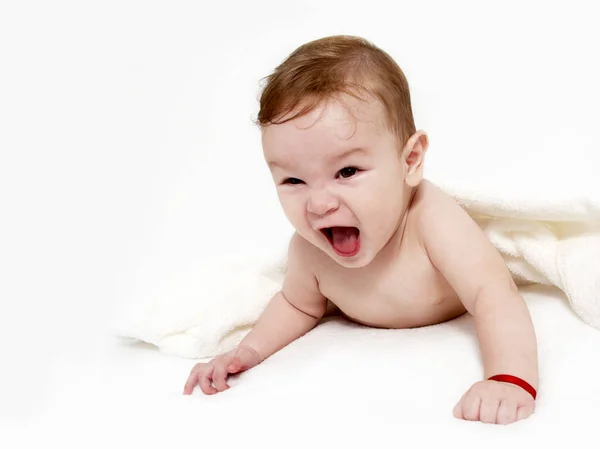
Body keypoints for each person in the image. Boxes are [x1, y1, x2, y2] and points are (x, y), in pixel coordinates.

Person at [183, 35, 539, 425]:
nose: (319, 204)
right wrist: (245, 353)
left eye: (347, 172)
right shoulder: (310, 249)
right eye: (293, 181)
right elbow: (298, 304)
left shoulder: (431, 221)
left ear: (411, 161)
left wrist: (509, 378)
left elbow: (493, 296)